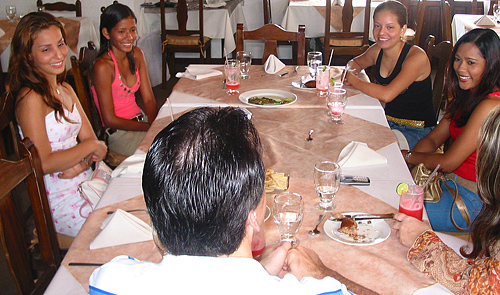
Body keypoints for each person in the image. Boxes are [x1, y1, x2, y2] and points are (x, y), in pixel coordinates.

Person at [89, 107, 377, 295]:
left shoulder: (110, 281)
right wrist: (321, 274)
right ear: (252, 215)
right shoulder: (316, 292)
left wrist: (259, 270)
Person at [9, 12, 108, 237]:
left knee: (138, 211)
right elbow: (42, 163)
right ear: (28, 55)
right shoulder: (31, 99)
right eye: (46, 49)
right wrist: (90, 149)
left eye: (61, 44)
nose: (58, 54)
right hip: (61, 200)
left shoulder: (66, 89)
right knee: (120, 231)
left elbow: (92, 142)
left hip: (86, 182)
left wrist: (82, 162)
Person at [392, 104, 500, 294]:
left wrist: (423, 241)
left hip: (466, 200)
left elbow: (479, 286)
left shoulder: (491, 108)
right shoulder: (467, 100)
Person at [402, 28, 500, 232]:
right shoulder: (467, 96)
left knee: (396, 209)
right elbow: (433, 140)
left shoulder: (490, 106)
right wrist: (412, 165)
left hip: (471, 202)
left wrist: (409, 156)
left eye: (471, 63)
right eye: (457, 59)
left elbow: (448, 162)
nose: (461, 68)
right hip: (448, 185)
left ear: (491, 66)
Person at [344, 0, 435, 149]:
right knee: (346, 133)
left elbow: (387, 95)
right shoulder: (377, 50)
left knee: (367, 147)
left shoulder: (416, 57)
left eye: (390, 27)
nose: (381, 33)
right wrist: (351, 70)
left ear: (403, 29)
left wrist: (353, 80)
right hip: (387, 120)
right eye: (377, 26)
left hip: (416, 131)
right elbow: (355, 62)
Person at [92, 3, 157, 158]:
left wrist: (155, 125)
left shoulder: (137, 54)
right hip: (120, 135)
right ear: (106, 33)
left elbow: (148, 99)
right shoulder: (103, 67)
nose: (130, 37)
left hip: (142, 122)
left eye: (133, 30)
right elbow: (110, 119)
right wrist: (147, 127)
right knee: (167, 152)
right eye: (122, 32)